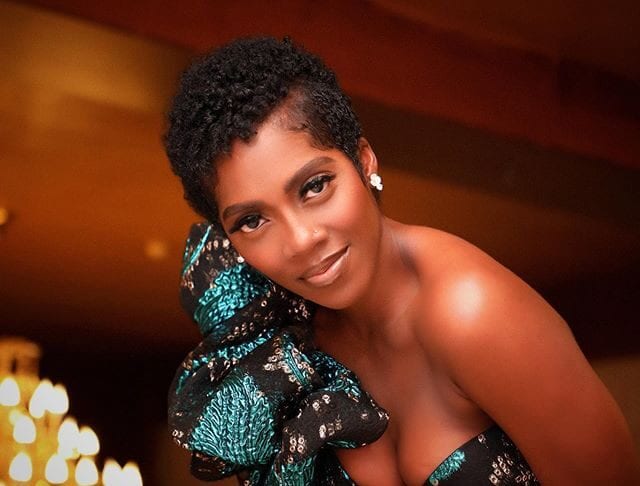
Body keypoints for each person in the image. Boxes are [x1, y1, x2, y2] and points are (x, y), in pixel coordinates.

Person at [165, 37, 640, 485]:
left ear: (364, 160)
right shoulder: (280, 344)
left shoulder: (472, 311)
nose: (302, 240)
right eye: (252, 221)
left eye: (314, 186)